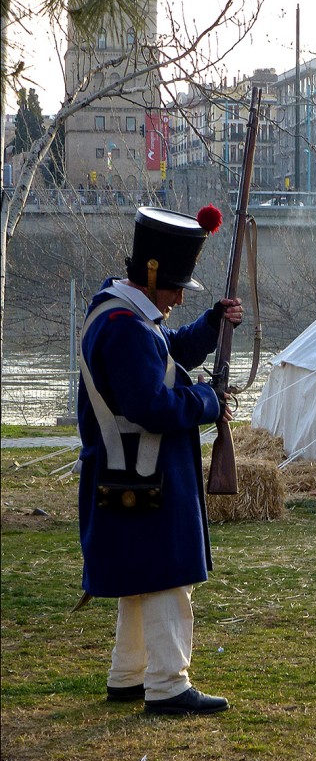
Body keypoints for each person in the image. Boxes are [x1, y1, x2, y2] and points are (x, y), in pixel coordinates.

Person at [77, 205, 244, 716]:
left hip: (129, 471)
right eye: (174, 289)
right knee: (168, 578)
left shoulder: (121, 313)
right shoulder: (126, 327)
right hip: (141, 472)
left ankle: (128, 676)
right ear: (151, 277)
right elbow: (150, 405)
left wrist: (212, 323)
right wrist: (208, 403)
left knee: (140, 578)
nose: (176, 299)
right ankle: (168, 685)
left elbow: (168, 352)